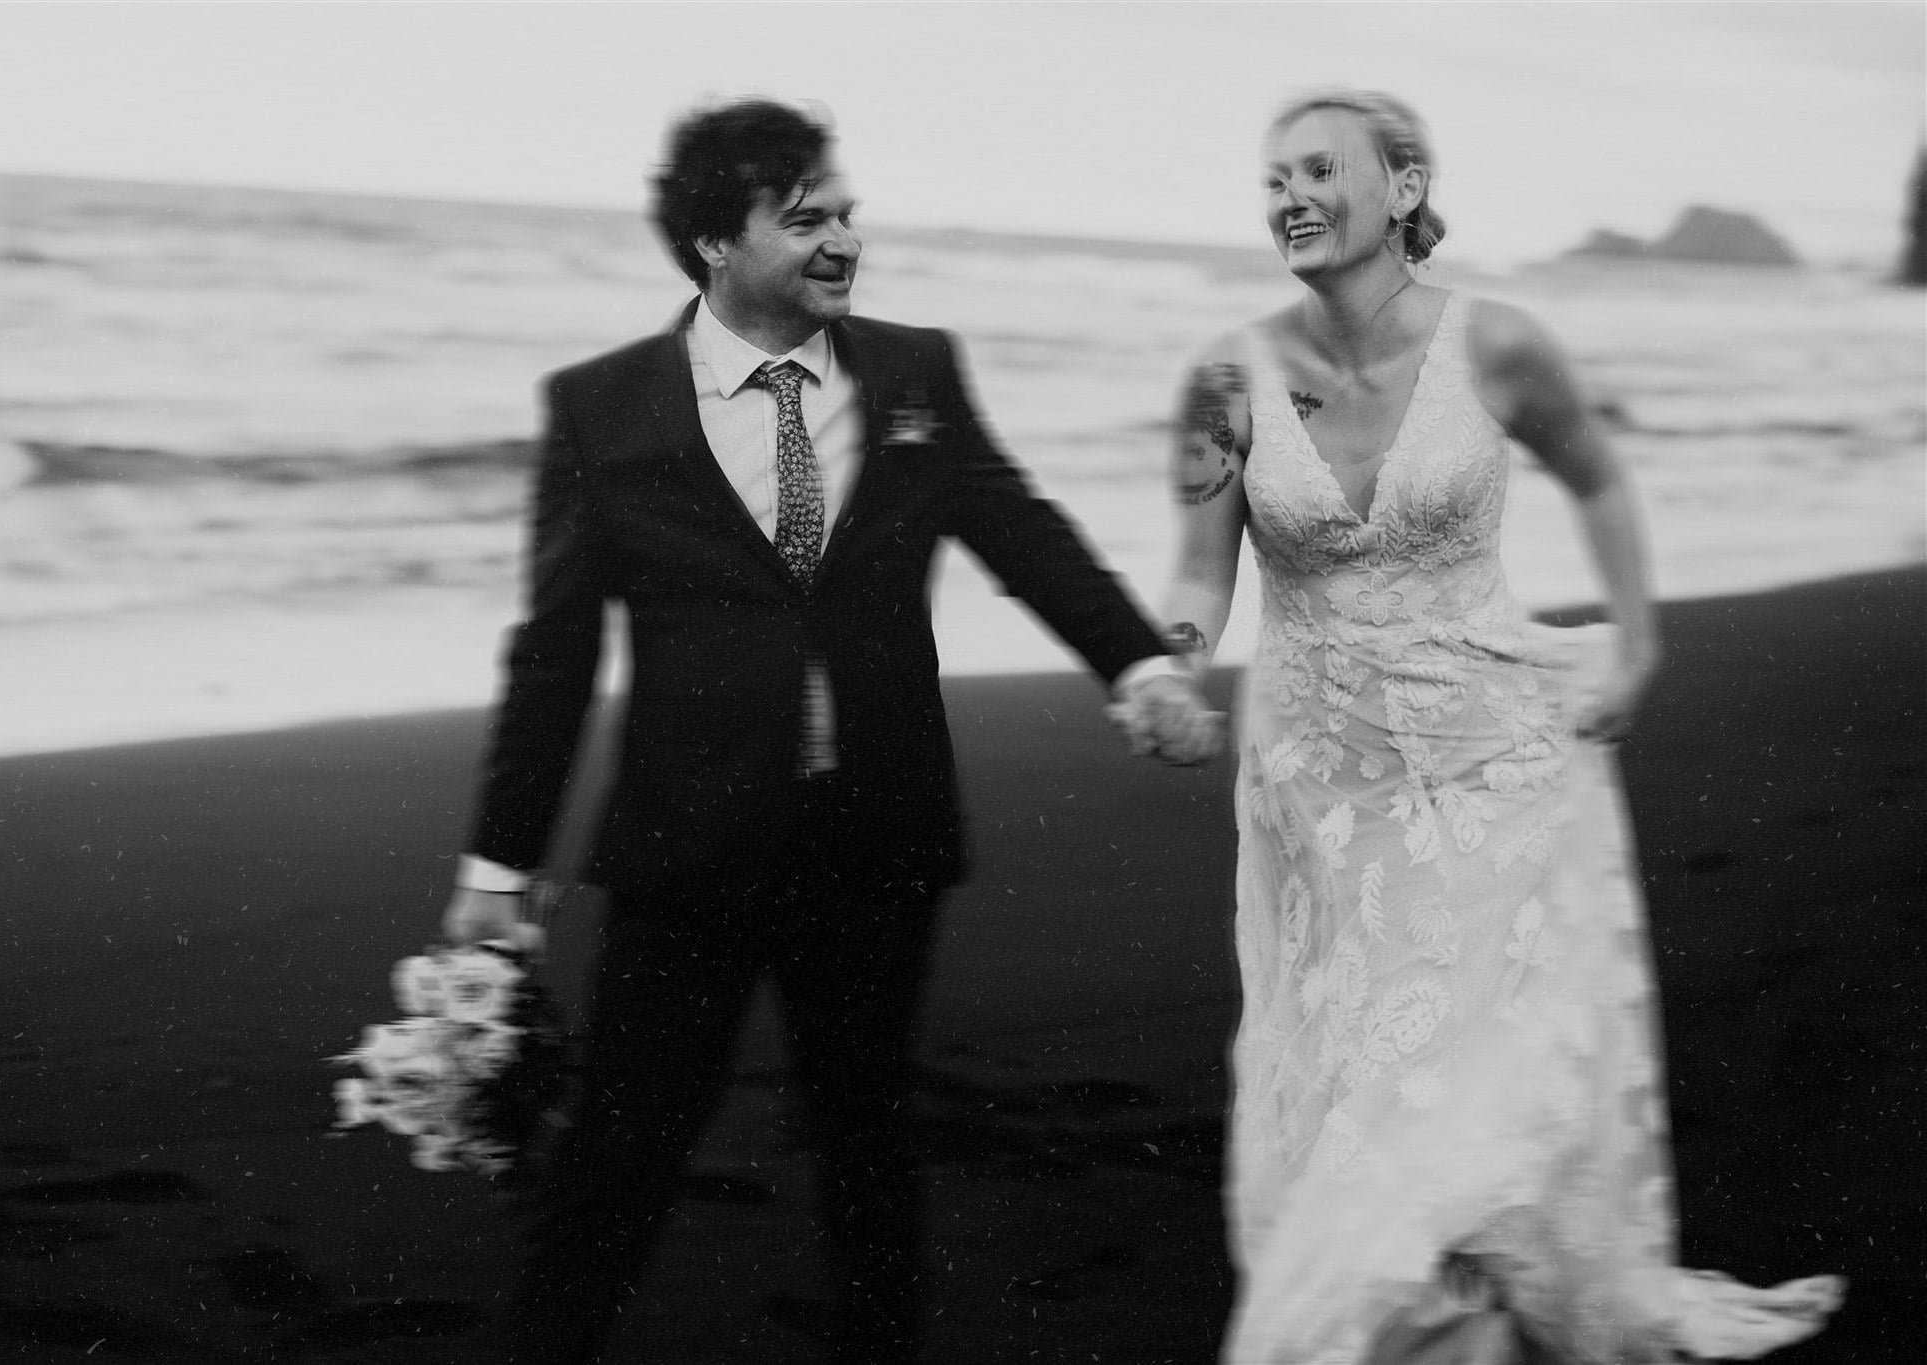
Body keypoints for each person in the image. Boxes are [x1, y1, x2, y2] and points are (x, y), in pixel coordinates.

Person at [439, 99, 1215, 1364]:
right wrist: (495, 868)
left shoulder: (914, 372)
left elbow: (1017, 526)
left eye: (847, 210)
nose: (844, 237)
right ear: (711, 245)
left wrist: (1133, 665)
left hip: (875, 839)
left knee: (867, 1146)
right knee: (619, 1153)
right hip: (685, 851)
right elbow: (554, 653)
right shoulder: (601, 409)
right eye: (805, 218)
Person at [1150, 89, 1844, 1361]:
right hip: (1320, 775)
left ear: (1403, 190)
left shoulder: (1501, 346)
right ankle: (1409, 1304)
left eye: (1317, 170)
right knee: (1354, 1055)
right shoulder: (1222, 378)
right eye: (1270, 180)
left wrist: (1635, 642)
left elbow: (1596, 476)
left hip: (1487, 756)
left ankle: (1446, 1304)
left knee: (1470, 1054)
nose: (1285, 198)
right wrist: (1172, 661)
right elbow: (1200, 575)